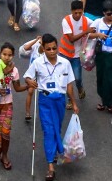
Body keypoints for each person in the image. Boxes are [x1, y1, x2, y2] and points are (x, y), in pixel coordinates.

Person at [23, 34, 78, 181]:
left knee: (56, 128)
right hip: (45, 100)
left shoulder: (65, 63)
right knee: (48, 130)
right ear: (43, 49)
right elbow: (27, 77)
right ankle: (50, 167)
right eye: (49, 49)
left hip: (59, 100)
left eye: (54, 48)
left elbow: (69, 85)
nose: (52, 51)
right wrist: (30, 82)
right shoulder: (38, 63)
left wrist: (73, 102)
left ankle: (53, 152)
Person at [0, 43, 27, 170]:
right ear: (0, 54)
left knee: (6, 132)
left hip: (7, 105)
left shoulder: (15, 70)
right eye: (4, 54)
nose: (7, 57)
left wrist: (30, 86)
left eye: (10, 55)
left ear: (13, 56)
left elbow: (17, 88)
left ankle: (4, 156)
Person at [59, 0, 91, 106]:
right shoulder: (66, 21)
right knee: (66, 78)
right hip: (65, 53)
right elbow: (71, 39)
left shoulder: (86, 20)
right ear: (71, 11)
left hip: (77, 55)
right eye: (75, 13)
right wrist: (86, 32)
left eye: (80, 13)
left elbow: (96, 26)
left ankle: (80, 88)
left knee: (77, 78)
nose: (77, 15)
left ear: (82, 11)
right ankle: (69, 99)